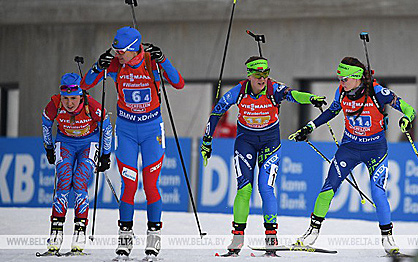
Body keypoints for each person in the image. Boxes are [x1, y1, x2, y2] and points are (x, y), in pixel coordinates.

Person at [288, 57, 416, 256]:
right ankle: (310, 234)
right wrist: (309, 127)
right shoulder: (341, 92)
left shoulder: (377, 92)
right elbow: (331, 111)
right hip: (349, 148)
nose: (341, 83)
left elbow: (408, 108)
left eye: (344, 79)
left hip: (376, 151)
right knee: (328, 186)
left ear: (357, 78)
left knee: (378, 192)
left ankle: (388, 240)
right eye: (339, 78)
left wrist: (407, 118)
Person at [200, 56, 327, 257]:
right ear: (249, 75)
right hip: (245, 142)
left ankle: (271, 238)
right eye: (258, 75)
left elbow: (293, 94)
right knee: (244, 189)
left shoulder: (274, 89)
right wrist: (207, 140)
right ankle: (237, 239)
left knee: (266, 188)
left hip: (270, 142)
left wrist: (311, 98)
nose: (263, 79)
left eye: (266, 74)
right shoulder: (239, 91)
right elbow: (216, 112)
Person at [80, 26, 184, 258]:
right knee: (128, 184)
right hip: (126, 131)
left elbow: (178, 83)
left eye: (121, 51)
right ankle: (125, 237)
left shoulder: (150, 62)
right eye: (115, 50)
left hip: (151, 132)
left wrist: (163, 60)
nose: (117, 55)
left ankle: (153, 236)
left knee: (150, 185)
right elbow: (85, 85)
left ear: (134, 48)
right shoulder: (116, 64)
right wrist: (99, 65)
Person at [41, 73, 112, 255]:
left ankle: (79, 234)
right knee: (63, 183)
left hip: (88, 143)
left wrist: (105, 155)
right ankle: (56, 233)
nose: (69, 103)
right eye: (65, 98)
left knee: (80, 183)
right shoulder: (54, 104)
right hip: (65, 143)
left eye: (73, 98)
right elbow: (46, 124)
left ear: (81, 96)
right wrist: (49, 148)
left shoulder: (92, 106)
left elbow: (107, 128)